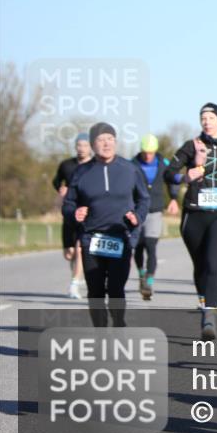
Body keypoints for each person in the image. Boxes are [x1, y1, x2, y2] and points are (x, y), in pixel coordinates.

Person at [62, 122, 149, 327]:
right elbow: (68, 204)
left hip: (120, 237)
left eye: (110, 139)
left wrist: (138, 216)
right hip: (91, 238)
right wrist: (75, 213)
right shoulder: (81, 172)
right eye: (101, 140)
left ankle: (119, 322)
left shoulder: (130, 169)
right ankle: (100, 331)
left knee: (117, 288)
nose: (106, 143)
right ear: (93, 144)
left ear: (116, 142)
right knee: (95, 290)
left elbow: (143, 199)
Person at [165, 103, 217, 341]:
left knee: (214, 262)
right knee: (200, 266)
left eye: (210, 117)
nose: (206, 121)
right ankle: (205, 299)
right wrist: (184, 176)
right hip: (194, 214)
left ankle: (209, 315)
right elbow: (168, 173)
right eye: (203, 118)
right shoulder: (190, 146)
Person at [132, 134, 180, 300]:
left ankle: (149, 282)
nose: (148, 155)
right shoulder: (133, 164)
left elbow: (173, 180)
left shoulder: (163, 163)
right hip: (137, 211)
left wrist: (173, 198)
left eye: (151, 152)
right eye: (145, 152)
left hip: (155, 210)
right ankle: (141, 273)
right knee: (138, 247)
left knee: (151, 246)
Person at [52, 132, 92, 299]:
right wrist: (61, 190)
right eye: (79, 145)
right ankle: (77, 272)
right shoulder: (66, 165)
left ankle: (74, 283)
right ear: (75, 146)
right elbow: (56, 181)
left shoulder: (95, 166)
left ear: (90, 147)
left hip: (86, 213)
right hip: (69, 212)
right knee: (69, 253)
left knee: (80, 248)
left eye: (84, 145)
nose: (81, 149)